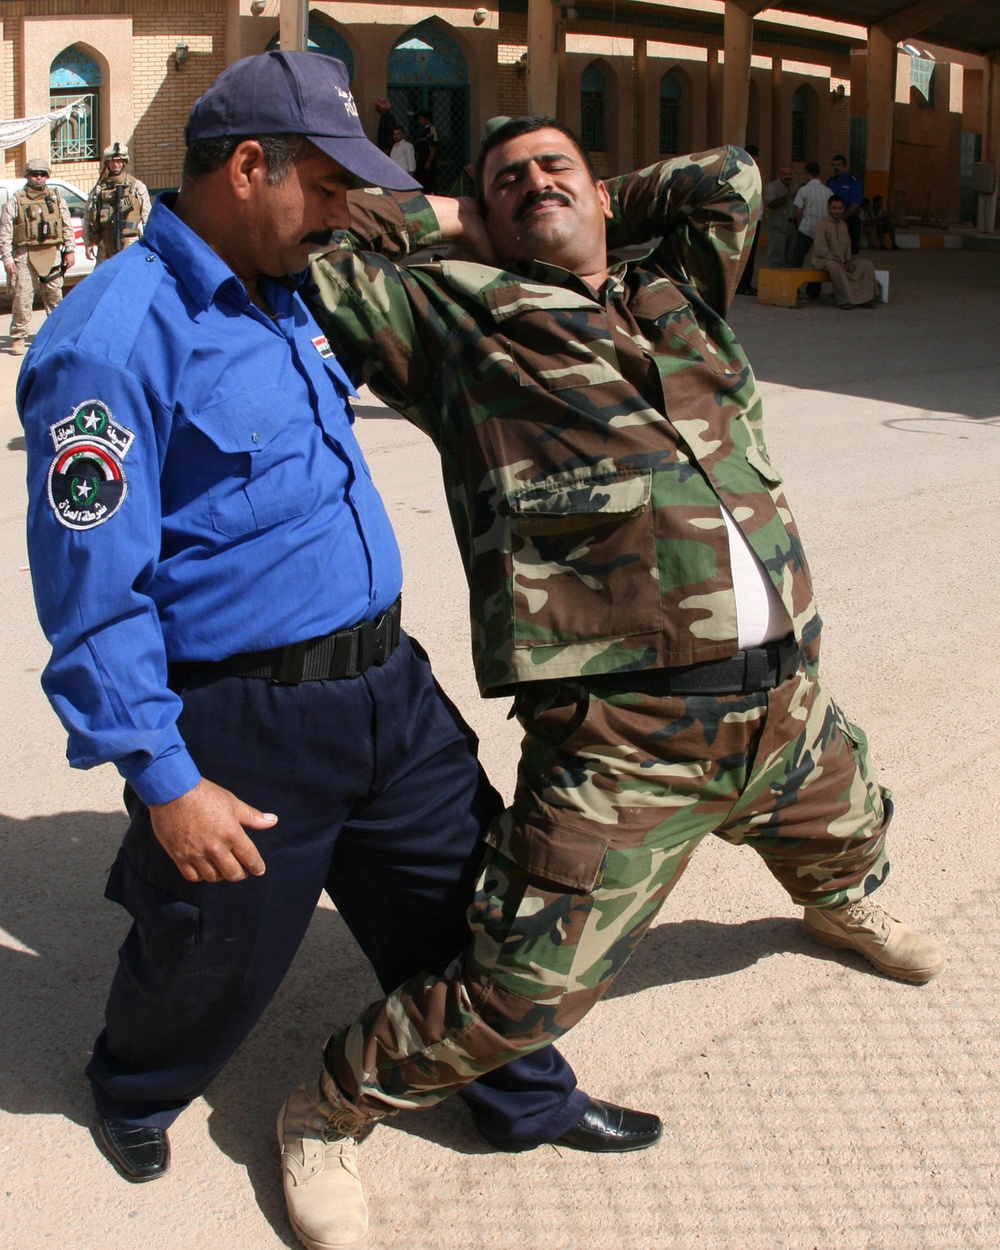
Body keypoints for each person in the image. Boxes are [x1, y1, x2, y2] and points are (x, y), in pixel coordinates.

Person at [285, 118, 945, 1249]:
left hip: (785, 700)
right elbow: (317, 248)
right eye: (507, 179)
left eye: (558, 168)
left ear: (604, 189)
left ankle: (835, 903)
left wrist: (578, 198)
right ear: (477, 210)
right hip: (627, 739)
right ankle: (328, 1106)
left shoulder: (673, 289)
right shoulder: (457, 327)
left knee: (849, 822)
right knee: (515, 992)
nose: (533, 185)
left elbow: (729, 174)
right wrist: (461, 218)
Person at [17, 60, 655, 1201]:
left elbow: (425, 232)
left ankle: (523, 1094)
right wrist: (167, 781)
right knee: (208, 947)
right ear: (247, 165)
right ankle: (134, 1083)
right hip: (243, 719)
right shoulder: (111, 340)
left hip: (386, 686)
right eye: (320, 185)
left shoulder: (290, 280)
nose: (339, 212)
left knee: (469, 905)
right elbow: (89, 596)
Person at [0, 157, 75, 356]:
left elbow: (66, 225)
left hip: (51, 254)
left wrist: (69, 250)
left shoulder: (56, 198)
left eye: (42, 174)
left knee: (55, 297)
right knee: (23, 298)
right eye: (35, 174)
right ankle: (19, 337)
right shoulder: (17, 199)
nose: (39, 178)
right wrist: (7, 258)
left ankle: (56, 335)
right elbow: (5, 231)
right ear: (28, 176)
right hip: (24, 255)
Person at [84, 142, 151, 263]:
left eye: (119, 161)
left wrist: (150, 241)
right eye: (112, 161)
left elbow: (147, 215)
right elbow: (88, 216)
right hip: (105, 243)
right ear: (107, 163)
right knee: (105, 278)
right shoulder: (99, 189)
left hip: (130, 242)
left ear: (124, 162)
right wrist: (88, 243)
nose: (116, 164)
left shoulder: (135, 186)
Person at [807, 195, 878, 308]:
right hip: (824, 260)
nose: (837, 211)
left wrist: (848, 261)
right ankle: (844, 300)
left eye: (840, 208)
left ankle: (865, 298)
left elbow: (848, 245)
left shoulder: (843, 225)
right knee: (835, 266)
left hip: (843, 260)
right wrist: (838, 261)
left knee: (866, 265)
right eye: (834, 208)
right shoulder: (821, 225)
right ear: (828, 208)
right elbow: (820, 249)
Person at [792, 161, 832, 297]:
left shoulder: (804, 190)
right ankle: (814, 290)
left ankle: (794, 287)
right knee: (818, 261)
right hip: (822, 231)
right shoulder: (828, 191)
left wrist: (799, 225)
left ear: (807, 174)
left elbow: (798, 211)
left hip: (805, 228)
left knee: (797, 258)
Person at [735, 143, 760, 294]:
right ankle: (742, 284)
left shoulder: (751, 172)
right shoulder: (745, 172)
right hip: (747, 218)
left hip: (752, 218)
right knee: (745, 254)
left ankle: (743, 283)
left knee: (748, 254)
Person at [827, 153, 863, 254]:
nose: (835, 168)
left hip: (849, 219)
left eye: (838, 165)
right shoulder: (830, 182)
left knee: (851, 249)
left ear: (845, 166)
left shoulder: (853, 182)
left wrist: (842, 218)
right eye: (834, 165)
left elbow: (854, 204)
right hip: (833, 220)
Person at [763, 161, 797, 266]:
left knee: (791, 258)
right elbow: (772, 204)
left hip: (793, 227)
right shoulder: (772, 187)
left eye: (790, 174)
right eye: (785, 174)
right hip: (778, 227)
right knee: (776, 258)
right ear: (779, 174)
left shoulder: (795, 186)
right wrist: (787, 196)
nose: (788, 177)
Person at [414, 109, 438, 192]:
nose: (419, 121)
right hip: (421, 160)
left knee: (429, 181)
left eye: (421, 119)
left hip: (428, 159)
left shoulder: (432, 129)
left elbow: (433, 146)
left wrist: (429, 161)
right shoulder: (422, 130)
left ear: (427, 119)